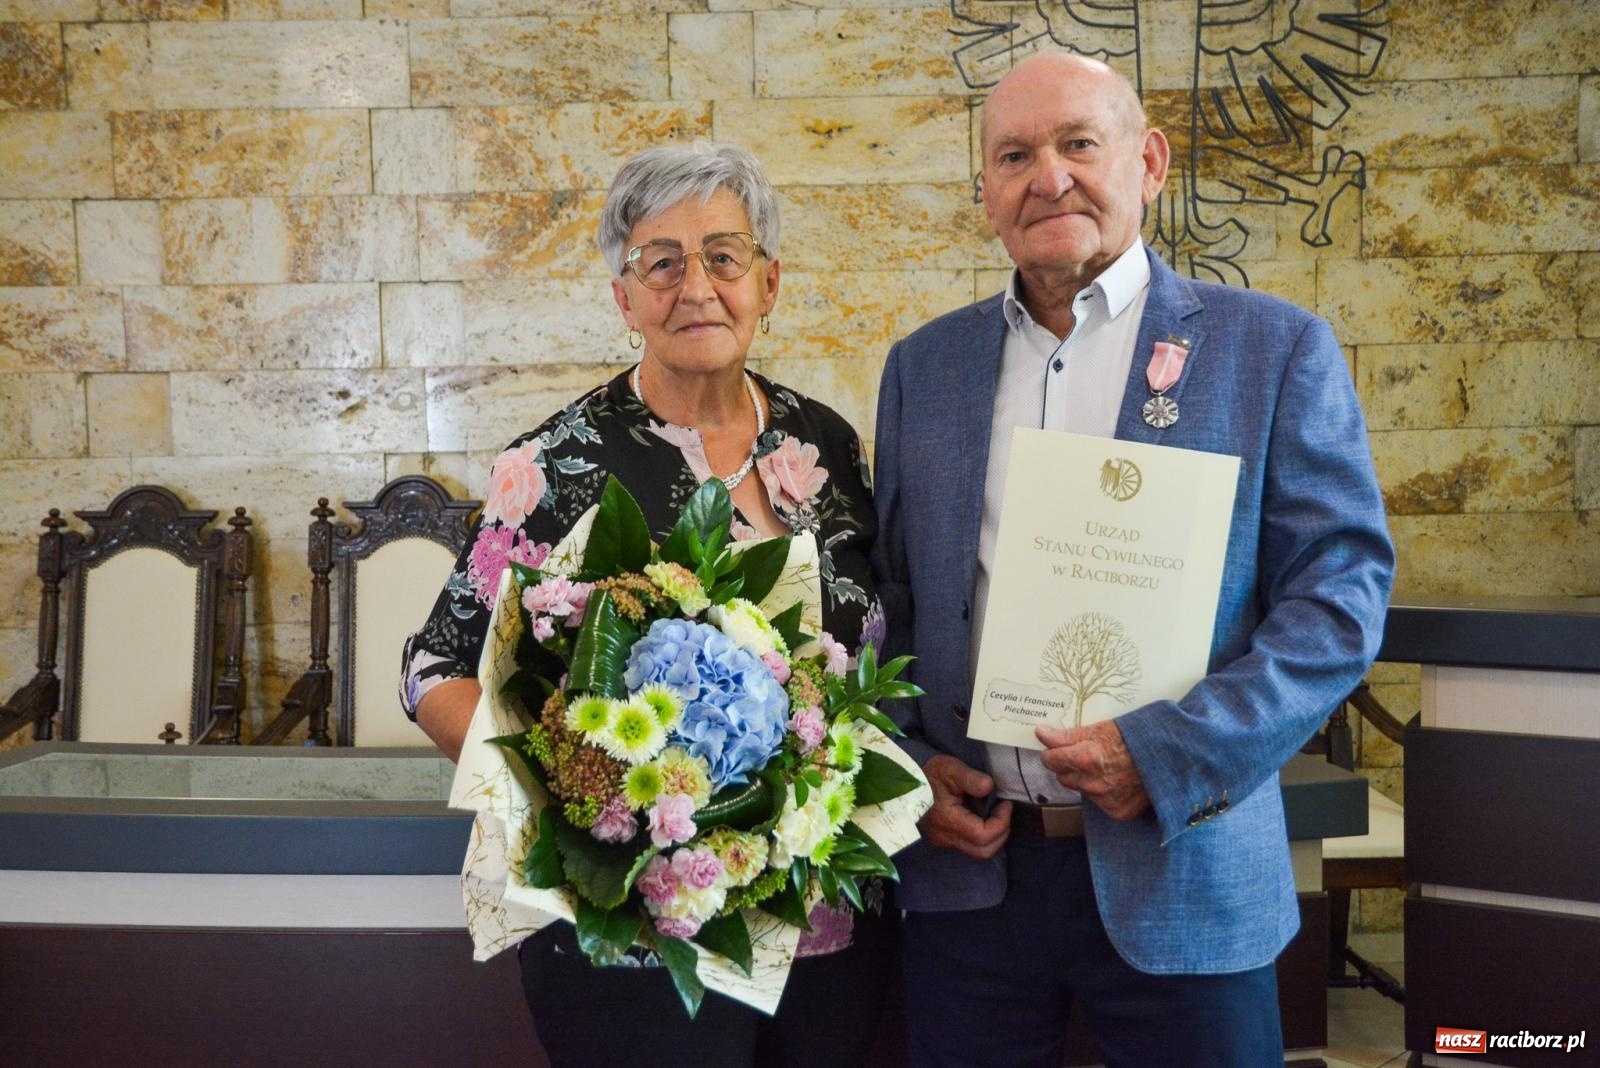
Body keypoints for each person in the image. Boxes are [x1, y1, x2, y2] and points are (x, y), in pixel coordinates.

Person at [871, 51, 1394, 1067]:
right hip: (971, 883)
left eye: (1078, 143)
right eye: (1013, 156)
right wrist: (906, 765)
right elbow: (887, 603)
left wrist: (1166, 754)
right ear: (984, 191)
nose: (1047, 177)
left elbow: (1339, 602)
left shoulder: (1273, 349)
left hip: (1187, 869)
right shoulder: (921, 369)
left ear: (1149, 162)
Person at [401, 142, 892, 1066]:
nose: (696, 287)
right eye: (661, 263)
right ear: (625, 299)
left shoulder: (827, 444)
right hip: (638, 944)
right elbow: (433, 669)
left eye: (723, 256)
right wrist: (573, 796)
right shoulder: (554, 465)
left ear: (769, 282)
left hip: (825, 932)